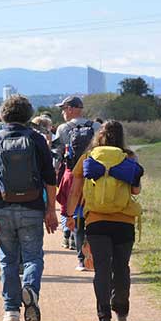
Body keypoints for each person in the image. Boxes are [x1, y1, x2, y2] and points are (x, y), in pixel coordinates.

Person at [0, 95, 58, 321]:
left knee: (8, 260)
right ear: (27, 114)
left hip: (2, 208)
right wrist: (51, 209)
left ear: (4, 114)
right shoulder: (36, 139)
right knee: (33, 256)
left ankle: (11, 310)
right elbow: (49, 177)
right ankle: (30, 288)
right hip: (32, 207)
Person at [65, 121, 143, 321]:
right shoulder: (129, 158)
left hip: (96, 221)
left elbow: (75, 191)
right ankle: (122, 308)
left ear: (99, 136)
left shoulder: (88, 157)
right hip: (124, 221)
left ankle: (104, 317)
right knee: (121, 266)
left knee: (101, 269)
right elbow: (135, 191)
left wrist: (70, 215)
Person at [53, 96, 101, 270]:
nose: (63, 112)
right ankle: (97, 257)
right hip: (94, 177)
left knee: (77, 219)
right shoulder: (96, 127)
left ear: (71, 109)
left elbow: (57, 155)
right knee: (94, 217)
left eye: (64, 109)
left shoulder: (63, 128)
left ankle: (81, 260)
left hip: (73, 177)